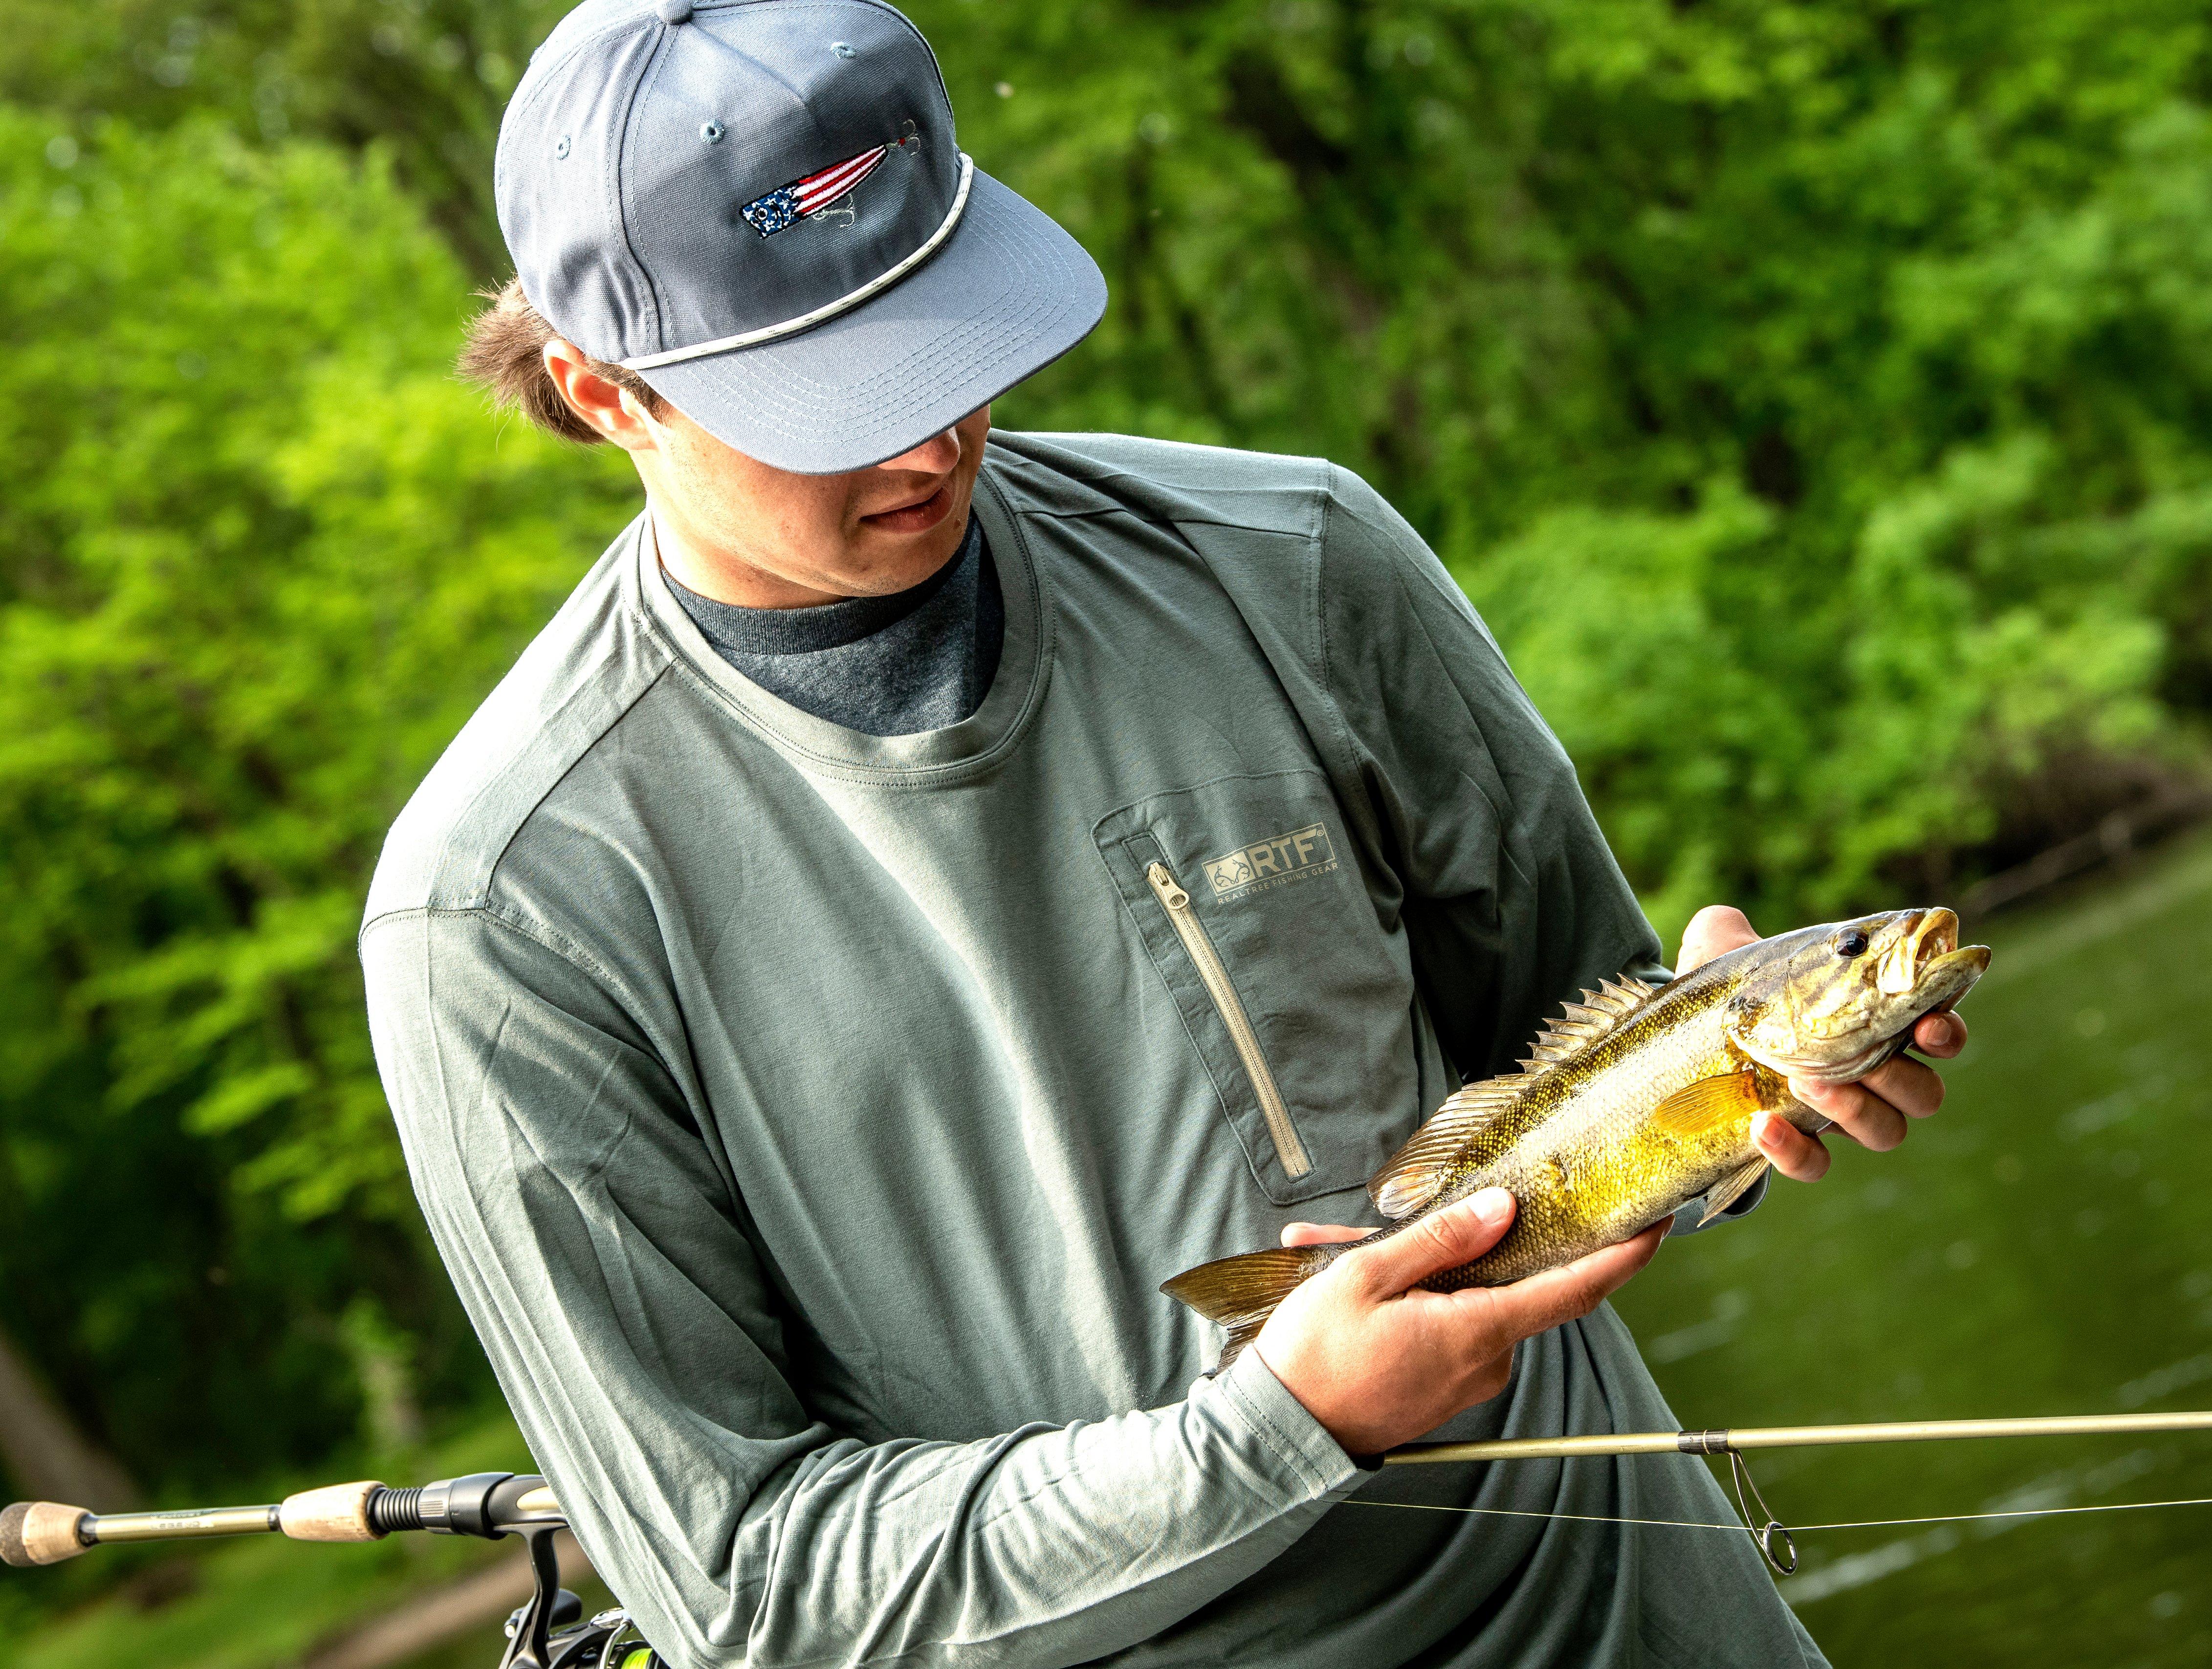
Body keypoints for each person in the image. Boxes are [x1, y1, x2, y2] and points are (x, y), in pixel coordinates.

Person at [361, 2, 1966, 1664]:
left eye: (942, 336)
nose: (930, 440)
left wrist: (1739, 1058)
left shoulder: (1300, 561)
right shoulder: (499, 913)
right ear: (599, 390)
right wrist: (1272, 1435)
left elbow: (1580, 1081)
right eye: (833, 396)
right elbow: (743, 1590)